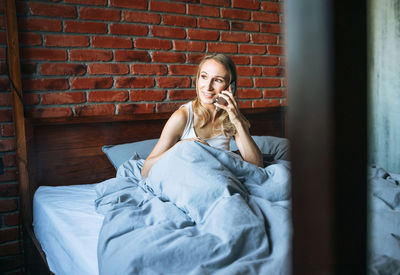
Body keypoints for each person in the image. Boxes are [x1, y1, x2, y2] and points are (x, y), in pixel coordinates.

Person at [141, 53, 263, 178]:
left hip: (220, 177)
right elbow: (145, 171)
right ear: (198, 79)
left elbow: (257, 165)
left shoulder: (231, 117)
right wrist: (182, 146)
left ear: (230, 86)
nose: (208, 87)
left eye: (218, 80)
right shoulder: (182, 117)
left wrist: (237, 121)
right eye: (204, 77)